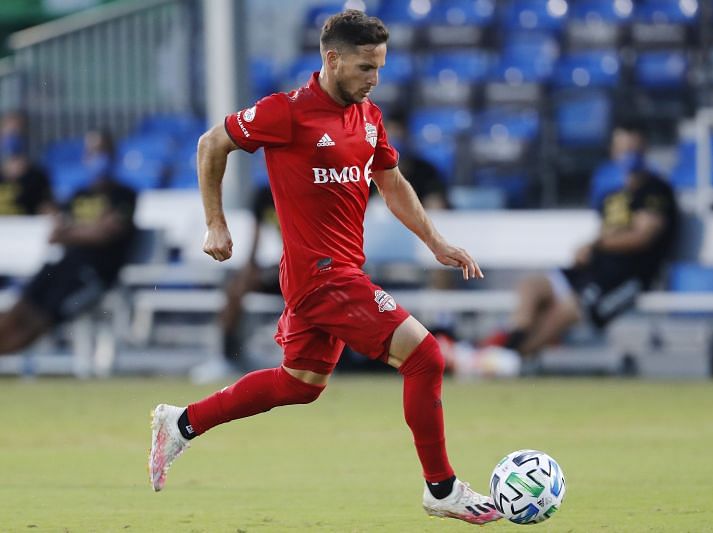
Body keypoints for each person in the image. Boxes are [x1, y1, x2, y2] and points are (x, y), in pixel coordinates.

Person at [148, 10, 502, 525]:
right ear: (332, 59)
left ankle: (179, 424)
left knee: (300, 384)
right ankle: (441, 489)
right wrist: (216, 223)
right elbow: (211, 144)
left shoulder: (369, 116)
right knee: (425, 356)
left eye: (379, 67)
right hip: (321, 275)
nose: (373, 79)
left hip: (336, 272)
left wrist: (436, 241)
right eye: (364, 67)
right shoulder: (286, 113)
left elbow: (392, 182)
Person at [500, 140, 678, 357]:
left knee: (570, 307)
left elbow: (642, 237)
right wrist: (589, 248)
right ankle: (513, 338)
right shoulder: (615, 192)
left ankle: (514, 356)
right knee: (531, 287)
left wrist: (597, 244)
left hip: (628, 276)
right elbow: (610, 232)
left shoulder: (656, 191)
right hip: (595, 268)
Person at [0, 129, 137, 354]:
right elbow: (57, 232)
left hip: (92, 275)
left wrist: (73, 232)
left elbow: (107, 234)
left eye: (102, 151)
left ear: (113, 154)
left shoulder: (124, 194)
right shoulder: (78, 194)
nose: (97, 156)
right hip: (63, 265)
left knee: (40, 319)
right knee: (20, 307)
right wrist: (88, 229)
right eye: (92, 151)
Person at [190, 184, 282, 384]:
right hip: (286, 266)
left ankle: (334, 359)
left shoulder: (308, 183)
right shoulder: (265, 195)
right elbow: (255, 241)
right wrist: (248, 271)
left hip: (312, 263)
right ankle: (226, 356)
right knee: (235, 289)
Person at [0, 111, 54, 216]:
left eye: (17, 132)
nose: (13, 136)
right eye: (9, 133)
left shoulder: (37, 176)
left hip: (24, 229)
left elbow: (46, 207)